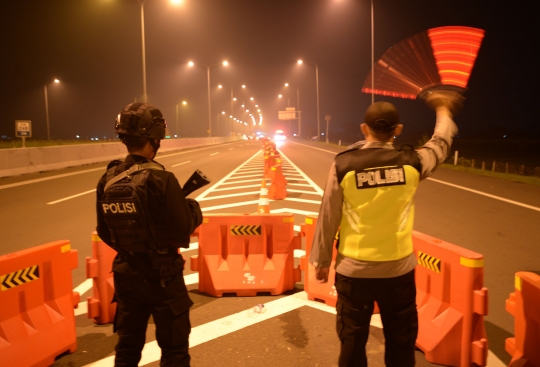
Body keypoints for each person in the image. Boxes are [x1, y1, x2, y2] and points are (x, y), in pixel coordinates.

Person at [309, 90, 463, 367]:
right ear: (398, 130)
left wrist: (321, 260)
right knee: (401, 341)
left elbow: (328, 215)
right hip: (398, 271)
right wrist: (442, 110)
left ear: (363, 129)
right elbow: (440, 143)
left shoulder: (343, 164)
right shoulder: (413, 163)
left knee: (353, 340)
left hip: (353, 271)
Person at [96, 102, 203, 367]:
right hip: (162, 277)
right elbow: (180, 231)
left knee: (127, 349)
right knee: (174, 351)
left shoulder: (107, 178)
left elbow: (104, 231)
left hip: (126, 273)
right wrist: (193, 210)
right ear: (155, 138)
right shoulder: (161, 179)